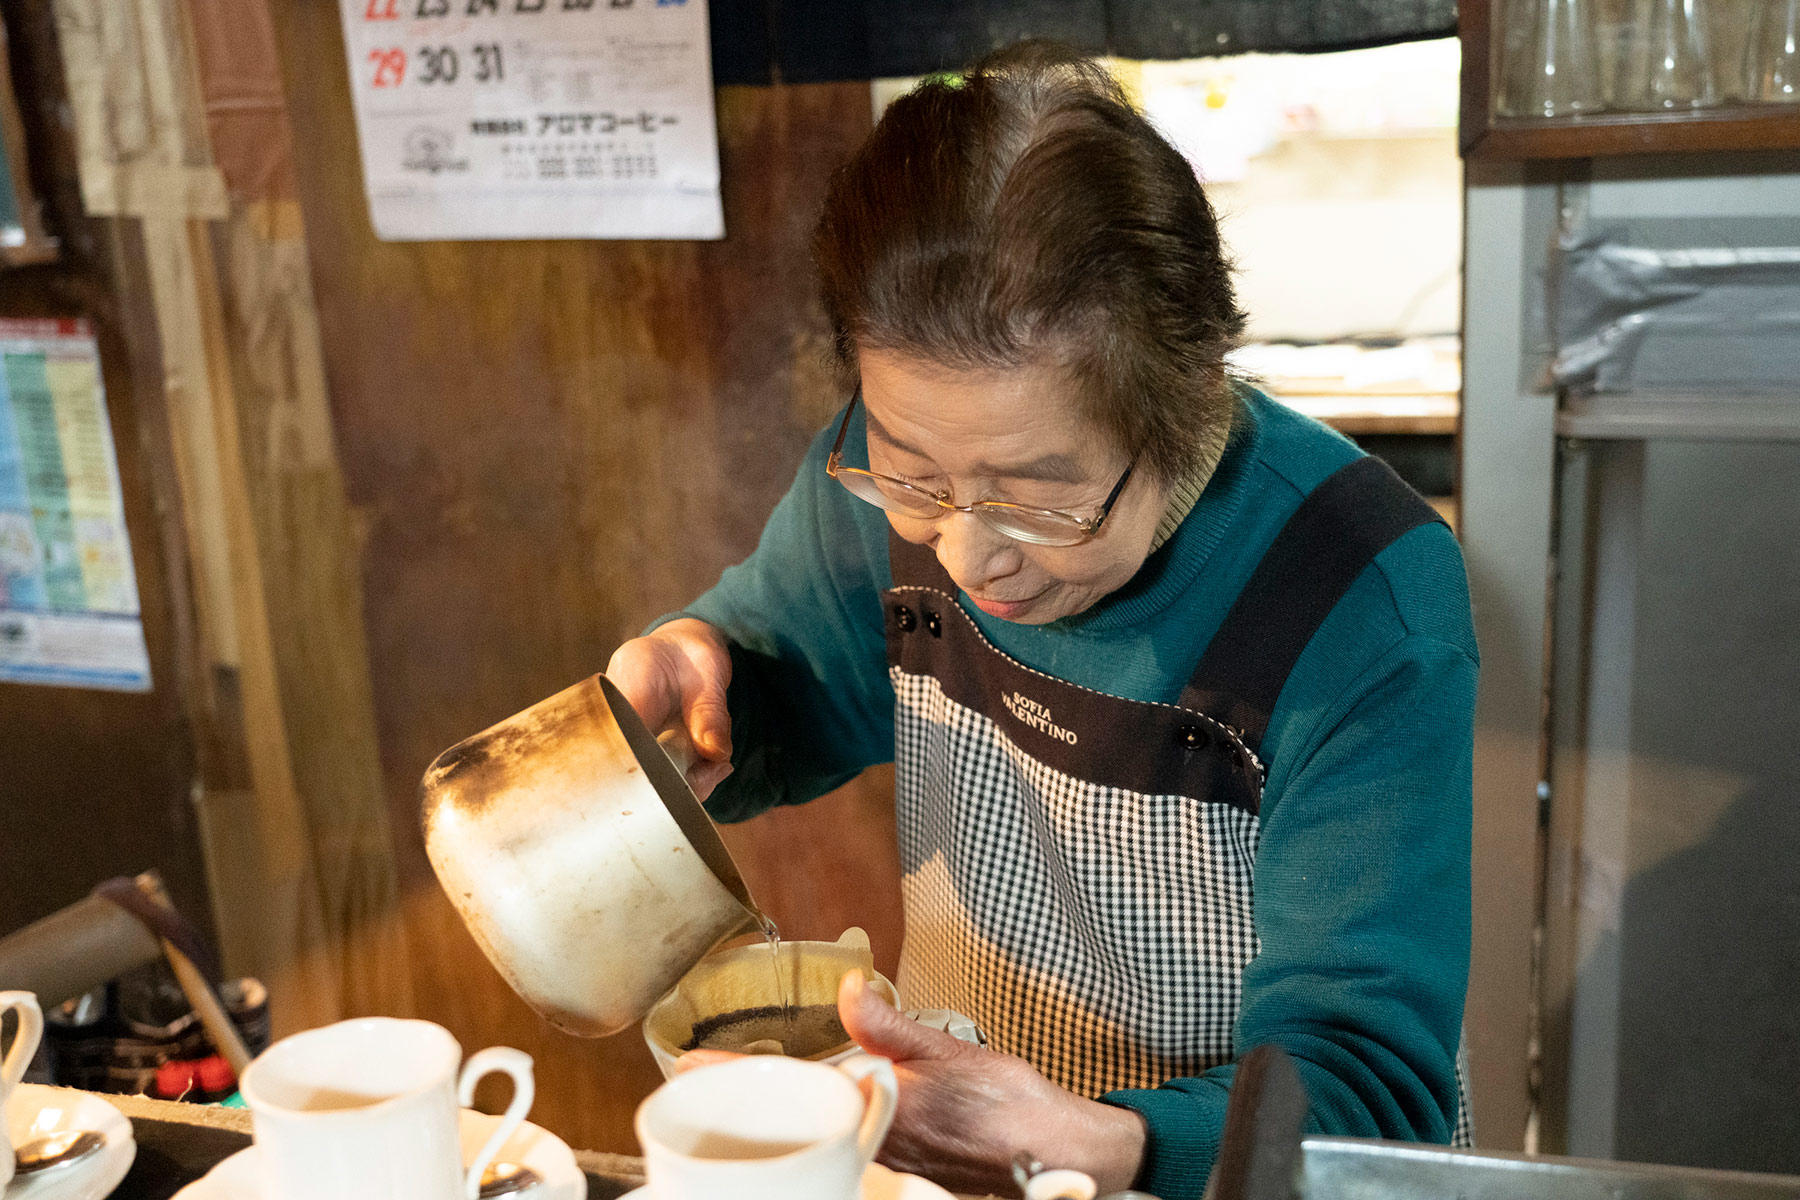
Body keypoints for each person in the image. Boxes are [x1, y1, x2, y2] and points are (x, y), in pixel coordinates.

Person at [608, 42, 1475, 1199]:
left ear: (1189, 398)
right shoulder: (897, 489)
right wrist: (700, 673)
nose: (967, 553)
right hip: (983, 1161)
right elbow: (785, 676)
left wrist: (1106, 1145)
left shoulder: (1362, 601)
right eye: (911, 474)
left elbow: (1369, 1092)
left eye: (1040, 501)